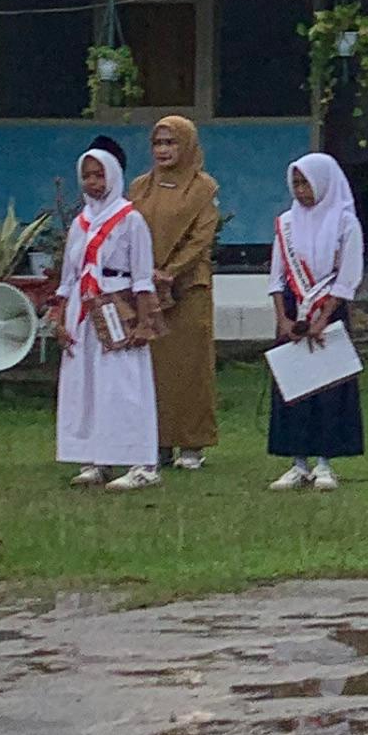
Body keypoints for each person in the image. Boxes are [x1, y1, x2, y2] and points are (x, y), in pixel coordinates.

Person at [55, 140, 161, 489]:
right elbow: (68, 277)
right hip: (84, 308)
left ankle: (142, 462)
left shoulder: (130, 219)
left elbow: (142, 277)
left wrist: (144, 322)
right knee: (86, 384)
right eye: (86, 176)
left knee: (124, 384)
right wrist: (60, 317)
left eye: (99, 175)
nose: (92, 182)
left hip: (118, 304)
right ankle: (96, 458)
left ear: (113, 176)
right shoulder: (80, 223)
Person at [267, 150, 365, 491]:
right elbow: (277, 276)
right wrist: (283, 319)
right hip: (293, 309)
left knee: (328, 387)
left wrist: (323, 318)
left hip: (329, 308)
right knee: (293, 385)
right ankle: (297, 462)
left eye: (306, 183)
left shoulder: (345, 222)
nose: (301, 191)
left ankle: (325, 463)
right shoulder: (286, 223)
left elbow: (348, 275)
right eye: (295, 184)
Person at [133, 112, 223, 469]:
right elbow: (129, 230)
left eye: (171, 142)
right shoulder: (140, 187)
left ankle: (191, 444)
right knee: (151, 367)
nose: (163, 150)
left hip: (189, 288)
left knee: (190, 366)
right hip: (147, 288)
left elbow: (202, 237)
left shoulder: (204, 188)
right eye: (157, 143)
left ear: (187, 145)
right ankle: (157, 441)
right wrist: (144, 273)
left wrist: (170, 272)